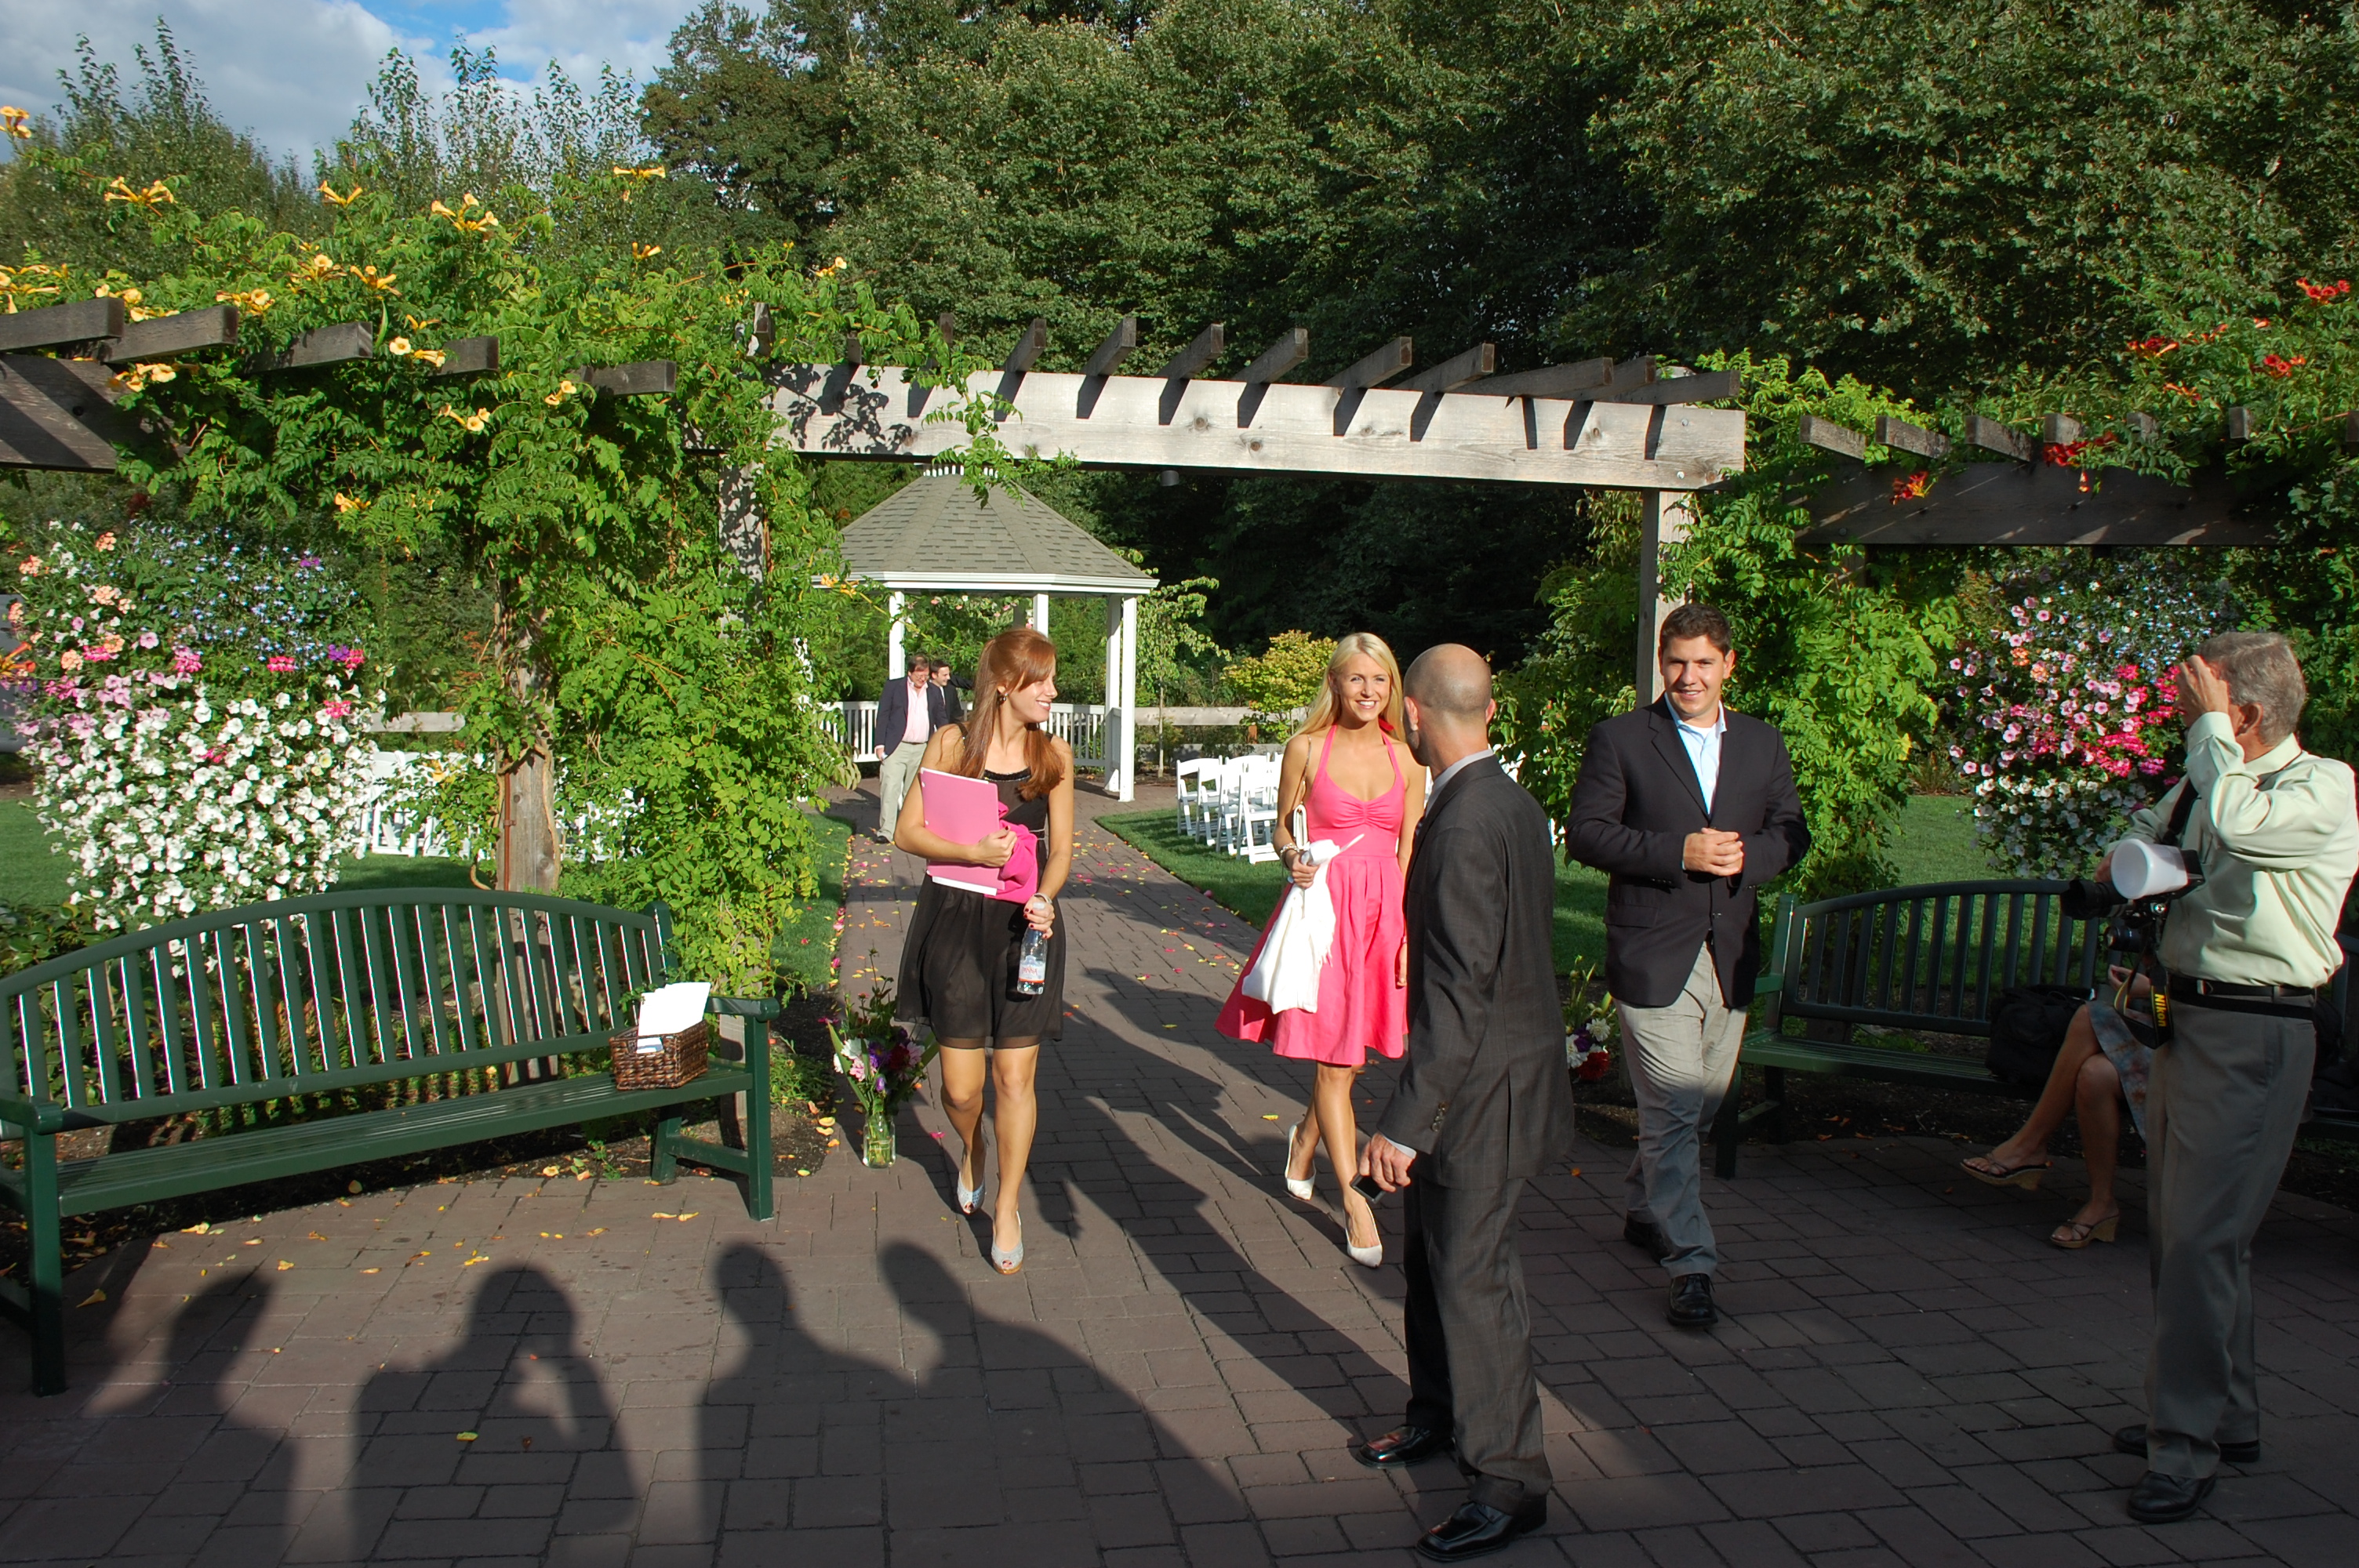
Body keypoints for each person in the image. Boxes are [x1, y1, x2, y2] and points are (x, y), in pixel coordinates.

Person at [2095, 632, 2357, 1525]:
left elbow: (2241, 826)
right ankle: (2225, 1415)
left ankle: (2183, 1443)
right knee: (2184, 1235)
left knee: (2203, 1242)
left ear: (2240, 714)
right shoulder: (2207, 781)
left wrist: (2210, 741)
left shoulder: (2319, 785)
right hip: (2187, 1018)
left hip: (2257, 1029)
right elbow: (2153, 838)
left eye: (2194, 702)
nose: (2181, 718)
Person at [1358, 644, 1574, 1563]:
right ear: (1485, 709)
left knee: (1473, 1279)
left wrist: (1405, 1122)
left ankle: (1509, 1481)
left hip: (1483, 1092)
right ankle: (1437, 1415)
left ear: (1411, 713)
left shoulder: (1463, 821)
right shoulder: (1507, 800)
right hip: (1494, 1075)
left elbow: (1458, 990)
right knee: (1432, 1257)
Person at [1564, 602, 1811, 1329]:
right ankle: (1692, 1264)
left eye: (1703, 662)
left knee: (1699, 1103)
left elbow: (1792, 831)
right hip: (1652, 950)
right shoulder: (1621, 739)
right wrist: (1678, 852)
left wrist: (1748, 856)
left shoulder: (1762, 742)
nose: (1689, 677)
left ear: (1728, 664)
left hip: (1729, 952)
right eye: (1676, 662)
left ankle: (1646, 1208)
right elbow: (1586, 834)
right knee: (1674, 1108)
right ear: (1661, 663)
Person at [1216, 633, 1426, 1269]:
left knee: (1353, 1059)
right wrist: (1291, 856)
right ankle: (1355, 1201)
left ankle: (1305, 1140)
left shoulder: (1408, 758)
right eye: (1357, 678)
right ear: (1335, 683)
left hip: (1384, 916)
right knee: (1337, 1062)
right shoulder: (1306, 747)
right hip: (1325, 914)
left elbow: (1409, 851)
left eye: (1380, 680)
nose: (1369, 691)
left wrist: (1407, 931)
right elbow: (1283, 825)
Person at [891, 627, 1076, 1276]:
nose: (1052, 691)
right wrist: (971, 852)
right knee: (962, 1090)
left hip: (1026, 931)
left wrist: (1046, 897)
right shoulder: (951, 744)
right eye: (1039, 680)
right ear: (1003, 684)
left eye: (1052, 679)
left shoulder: (1053, 755)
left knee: (1015, 1079)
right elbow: (906, 832)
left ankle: (1007, 1205)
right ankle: (972, 1148)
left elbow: (1062, 851)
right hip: (955, 923)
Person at [1961, 968, 2160, 1248]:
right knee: (2095, 1074)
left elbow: (2212, 1003)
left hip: (2202, 1061)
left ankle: (2030, 1145)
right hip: (2168, 1040)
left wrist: (2152, 990)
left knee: (2089, 1017)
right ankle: (2101, 1203)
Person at [875, 652, 953, 844]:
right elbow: (883, 715)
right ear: (910, 672)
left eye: (925, 675)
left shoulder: (934, 691)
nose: (922, 679)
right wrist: (880, 745)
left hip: (922, 749)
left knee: (913, 793)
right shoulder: (894, 687)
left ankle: (907, 831)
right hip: (896, 747)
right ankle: (886, 831)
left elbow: (941, 719)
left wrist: (946, 741)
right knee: (890, 788)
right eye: (919, 675)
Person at [929, 656, 965, 723]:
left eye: (949, 674)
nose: (948, 678)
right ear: (934, 675)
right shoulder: (925, 690)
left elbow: (957, 715)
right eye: (945, 675)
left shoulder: (951, 691)